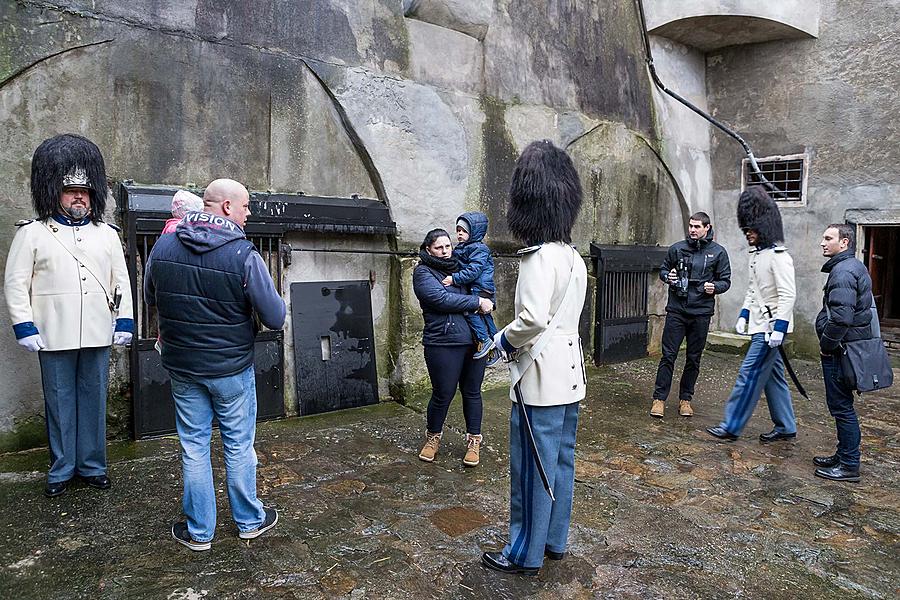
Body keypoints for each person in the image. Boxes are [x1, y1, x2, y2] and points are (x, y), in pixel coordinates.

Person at [144, 178, 286, 551]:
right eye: (246, 206)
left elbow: (149, 296)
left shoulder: (163, 245)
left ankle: (200, 533)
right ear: (226, 207)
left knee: (193, 446)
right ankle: (250, 521)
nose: (249, 213)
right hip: (230, 369)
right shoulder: (242, 254)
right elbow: (275, 316)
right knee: (238, 445)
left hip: (183, 367)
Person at [4, 133, 133, 498]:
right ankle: (61, 467)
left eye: (86, 191)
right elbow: (16, 284)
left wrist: (124, 320)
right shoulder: (32, 234)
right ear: (54, 193)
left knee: (94, 401)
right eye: (70, 190)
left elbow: (120, 280)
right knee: (59, 402)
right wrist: (24, 325)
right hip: (52, 332)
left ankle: (93, 465)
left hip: (95, 329)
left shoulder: (106, 234)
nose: (79, 197)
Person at [481, 140, 587, 576]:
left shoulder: (539, 257)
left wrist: (501, 343)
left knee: (530, 471)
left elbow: (531, 319)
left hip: (539, 379)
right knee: (561, 463)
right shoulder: (573, 256)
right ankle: (554, 541)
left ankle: (524, 552)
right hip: (570, 376)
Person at [707, 186, 797, 443]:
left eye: (752, 230)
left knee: (749, 375)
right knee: (773, 379)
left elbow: (787, 294)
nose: (748, 235)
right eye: (746, 230)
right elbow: (753, 289)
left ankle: (731, 424)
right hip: (759, 324)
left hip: (770, 329)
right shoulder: (758, 256)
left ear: (764, 229)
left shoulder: (780, 257)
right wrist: (744, 314)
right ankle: (786, 425)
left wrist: (779, 327)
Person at [413, 228, 494, 467]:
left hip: (474, 342)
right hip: (443, 342)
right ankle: (433, 438)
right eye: (439, 247)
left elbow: (484, 287)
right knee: (443, 394)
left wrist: (486, 299)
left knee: (472, 392)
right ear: (428, 249)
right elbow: (440, 299)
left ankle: (474, 441)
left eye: (447, 246)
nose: (445, 251)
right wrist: (476, 302)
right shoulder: (423, 272)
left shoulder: (462, 265)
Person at [650, 212, 731, 418]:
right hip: (677, 310)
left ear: (707, 228)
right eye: (691, 226)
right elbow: (663, 270)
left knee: (693, 358)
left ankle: (685, 400)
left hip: (701, 313)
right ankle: (659, 399)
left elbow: (726, 280)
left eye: (697, 227)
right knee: (668, 356)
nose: (693, 230)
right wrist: (668, 276)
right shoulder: (677, 248)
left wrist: (715, 287)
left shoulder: (718, 252)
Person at [813, 224, 875, 482]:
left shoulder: (843, 272)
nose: (822, 243)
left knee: (841, 407)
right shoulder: (852, 267)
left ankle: (849, 464)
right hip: (845, 348)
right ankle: (843, 455)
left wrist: (827, 346)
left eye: (828, 238)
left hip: (841, 351)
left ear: (845, 242)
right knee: (842, 406)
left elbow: (840, 318)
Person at [441, 211, 500, 364]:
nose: (460, 234)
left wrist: (454, 279)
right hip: (478, 287)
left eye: (464, 231)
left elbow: (473, 271)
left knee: (470, 311)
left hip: (480, 287)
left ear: (474, 232)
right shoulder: (464, 247)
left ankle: (484, 340)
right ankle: (498, 344)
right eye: (458, 230)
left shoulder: (479, 249)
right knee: (485, 317)